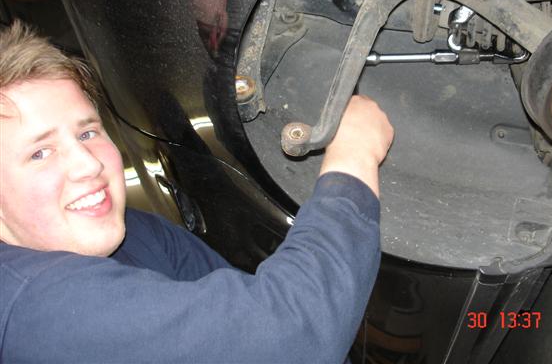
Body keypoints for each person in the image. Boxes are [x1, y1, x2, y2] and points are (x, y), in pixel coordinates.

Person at [0, 21, 394, 363]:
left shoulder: (138, 233)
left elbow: (252, 313)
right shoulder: (34, 308)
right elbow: (288, 337)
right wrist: (352, 157)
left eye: (87, 133)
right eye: (40, 153)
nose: (89, 165)